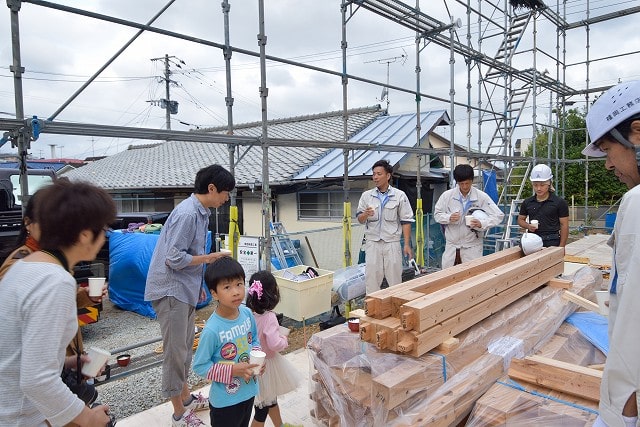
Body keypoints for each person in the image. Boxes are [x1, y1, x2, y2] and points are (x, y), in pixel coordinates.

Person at [0, 179, 115, 426]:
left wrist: (65, 362)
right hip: (20, 417)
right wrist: (89, 418)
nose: (105, 237)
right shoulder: (55, 280)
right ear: (85, 235)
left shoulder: (25, 267)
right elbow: (37, 380)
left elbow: (15, 351)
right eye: (103, 229)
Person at [144, 164, 236, 427]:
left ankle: (185, 399)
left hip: (182, 289)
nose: (226, 198)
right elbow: (174, 258)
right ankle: (178, 415)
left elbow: (185, 257)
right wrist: (209, 258)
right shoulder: (187, 213)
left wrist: (199, 286)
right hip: (171, 289)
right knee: (175, 352)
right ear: (211, 188)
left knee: (184, 349)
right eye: (225, 192)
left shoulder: (201, 212)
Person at [582, 80, 640, 427]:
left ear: (636, 132)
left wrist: (620, 414)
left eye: (606, 151)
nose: (607, 165)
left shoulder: (637, 202)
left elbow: (632, 325)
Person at [192, 257, 262, 427]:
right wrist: (232, 371)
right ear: (214, 293)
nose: (236, 291)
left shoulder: (246, 314)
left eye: (239, 284)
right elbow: (200, 366)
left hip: (249, 392)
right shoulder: (212, 329)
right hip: (225, 402)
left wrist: (258, 360)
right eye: (227, 287)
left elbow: (254, 339)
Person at [245, 270, 301, 427]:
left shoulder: (247, 314)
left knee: (270, 401)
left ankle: (280, 425)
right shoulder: (269, 317)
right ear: (272, 295)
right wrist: (284, 339)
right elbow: (274, 344)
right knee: (261, 410)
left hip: (253, 364)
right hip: (266, 367)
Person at [356, 159, 414, 294]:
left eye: (379, 174)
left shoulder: (400, 196)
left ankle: (395, 308)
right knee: (372, 279)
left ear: (388, 176)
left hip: (392, 243)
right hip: (373, 243)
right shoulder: (367, 196)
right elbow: (359, 219)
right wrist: (365, 214)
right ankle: (373, 310)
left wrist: (406, 244)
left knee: (394, 279)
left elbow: (406, 221)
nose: (375, 177)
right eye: (374, 174)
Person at [434, 164, 504, 268]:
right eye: (461, 183)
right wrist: (449, 218)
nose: (465, 186)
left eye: (467, 183)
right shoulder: (447, 196)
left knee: (473, 279)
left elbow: (499, 215)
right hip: (452, 247)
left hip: (472, 247)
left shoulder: (481, 197)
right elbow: (437, 215)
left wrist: (482, 223)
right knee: (449, 279)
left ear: (472, 180)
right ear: (457, 182)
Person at [517, 163, 569, 247]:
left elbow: (564, 225)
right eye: (535, 185)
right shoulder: (527, 202)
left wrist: (561, 247)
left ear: (549, 183)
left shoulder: (559, 202)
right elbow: (520, 220)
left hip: (552, 241)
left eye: (542, 185)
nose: (538, 188)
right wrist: (528, 226)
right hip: (533, 241)